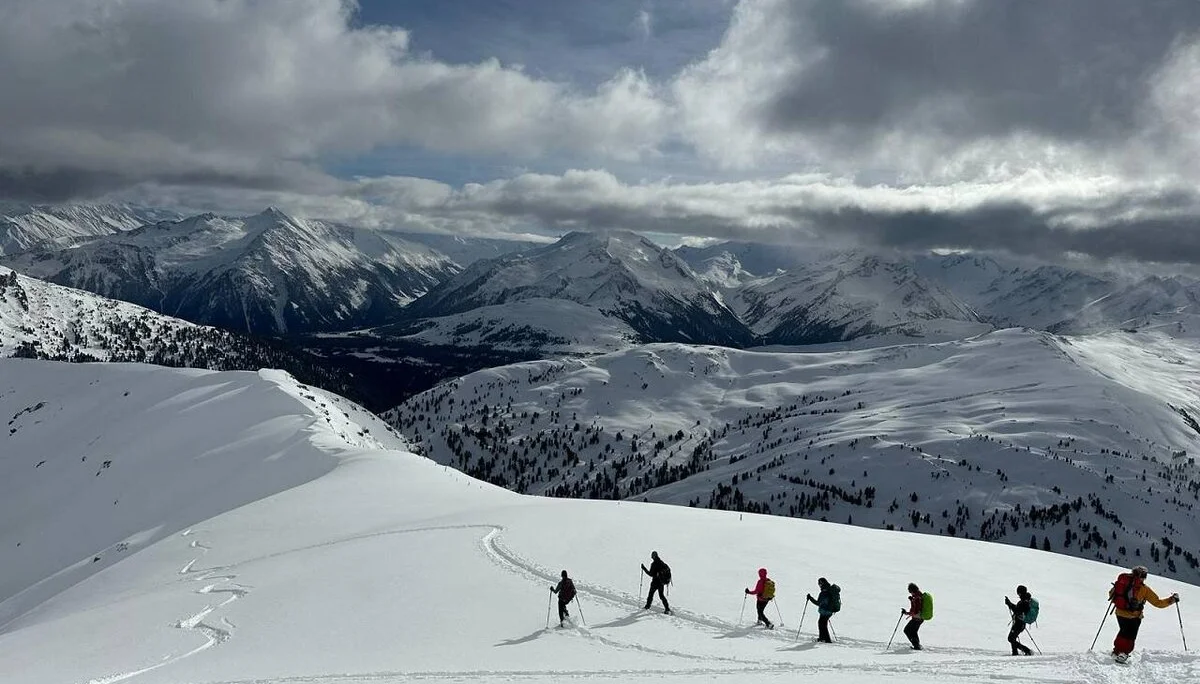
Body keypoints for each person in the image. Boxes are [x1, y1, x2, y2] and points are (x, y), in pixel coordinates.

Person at [1109, 565, 1180, 660]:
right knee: (1130, 635)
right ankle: (1124, 653)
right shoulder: (1144, 589)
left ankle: (1117, 650)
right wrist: (1172, 600)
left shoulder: (1123, 581)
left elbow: (1112, 594)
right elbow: (1158, 602)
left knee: (1123, 631)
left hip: (1120, 612)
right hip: (1134, 615)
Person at [806, 577, 840, 643]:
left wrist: (810, 598)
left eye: (819, 584)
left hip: (825, 611)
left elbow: (818, 603)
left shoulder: (824, 592)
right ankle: (823, 638)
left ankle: (826, 640)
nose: (819, 585)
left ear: (822, 584)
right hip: (829, 611)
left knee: (822, 624)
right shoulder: (829, 590)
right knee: (822, 624)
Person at [1004, 585, 1034, 656]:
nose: (1018, 594)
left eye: (1018, 592)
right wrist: (1010, 604)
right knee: (1012, 638)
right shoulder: (1025, 600)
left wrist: (1009, 604)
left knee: (1011, 638)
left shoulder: (1024, 601)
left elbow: (1017, 610)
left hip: (1019, 623)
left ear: (1020, 592)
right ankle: (1015, 653)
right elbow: (1018, 609)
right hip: (1020, 623)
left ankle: (1027, 651)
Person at [902, 583, 925, 650]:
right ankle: (917, 645)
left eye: (909, 591)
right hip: (919, 618)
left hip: (917, 618)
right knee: (913, 631)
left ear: (912, 590)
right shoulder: (918, 596)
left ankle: (916, 646)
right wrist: (912, 600)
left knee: (907, 630)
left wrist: (907, 613)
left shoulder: (917, 598)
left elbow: (915, 611)